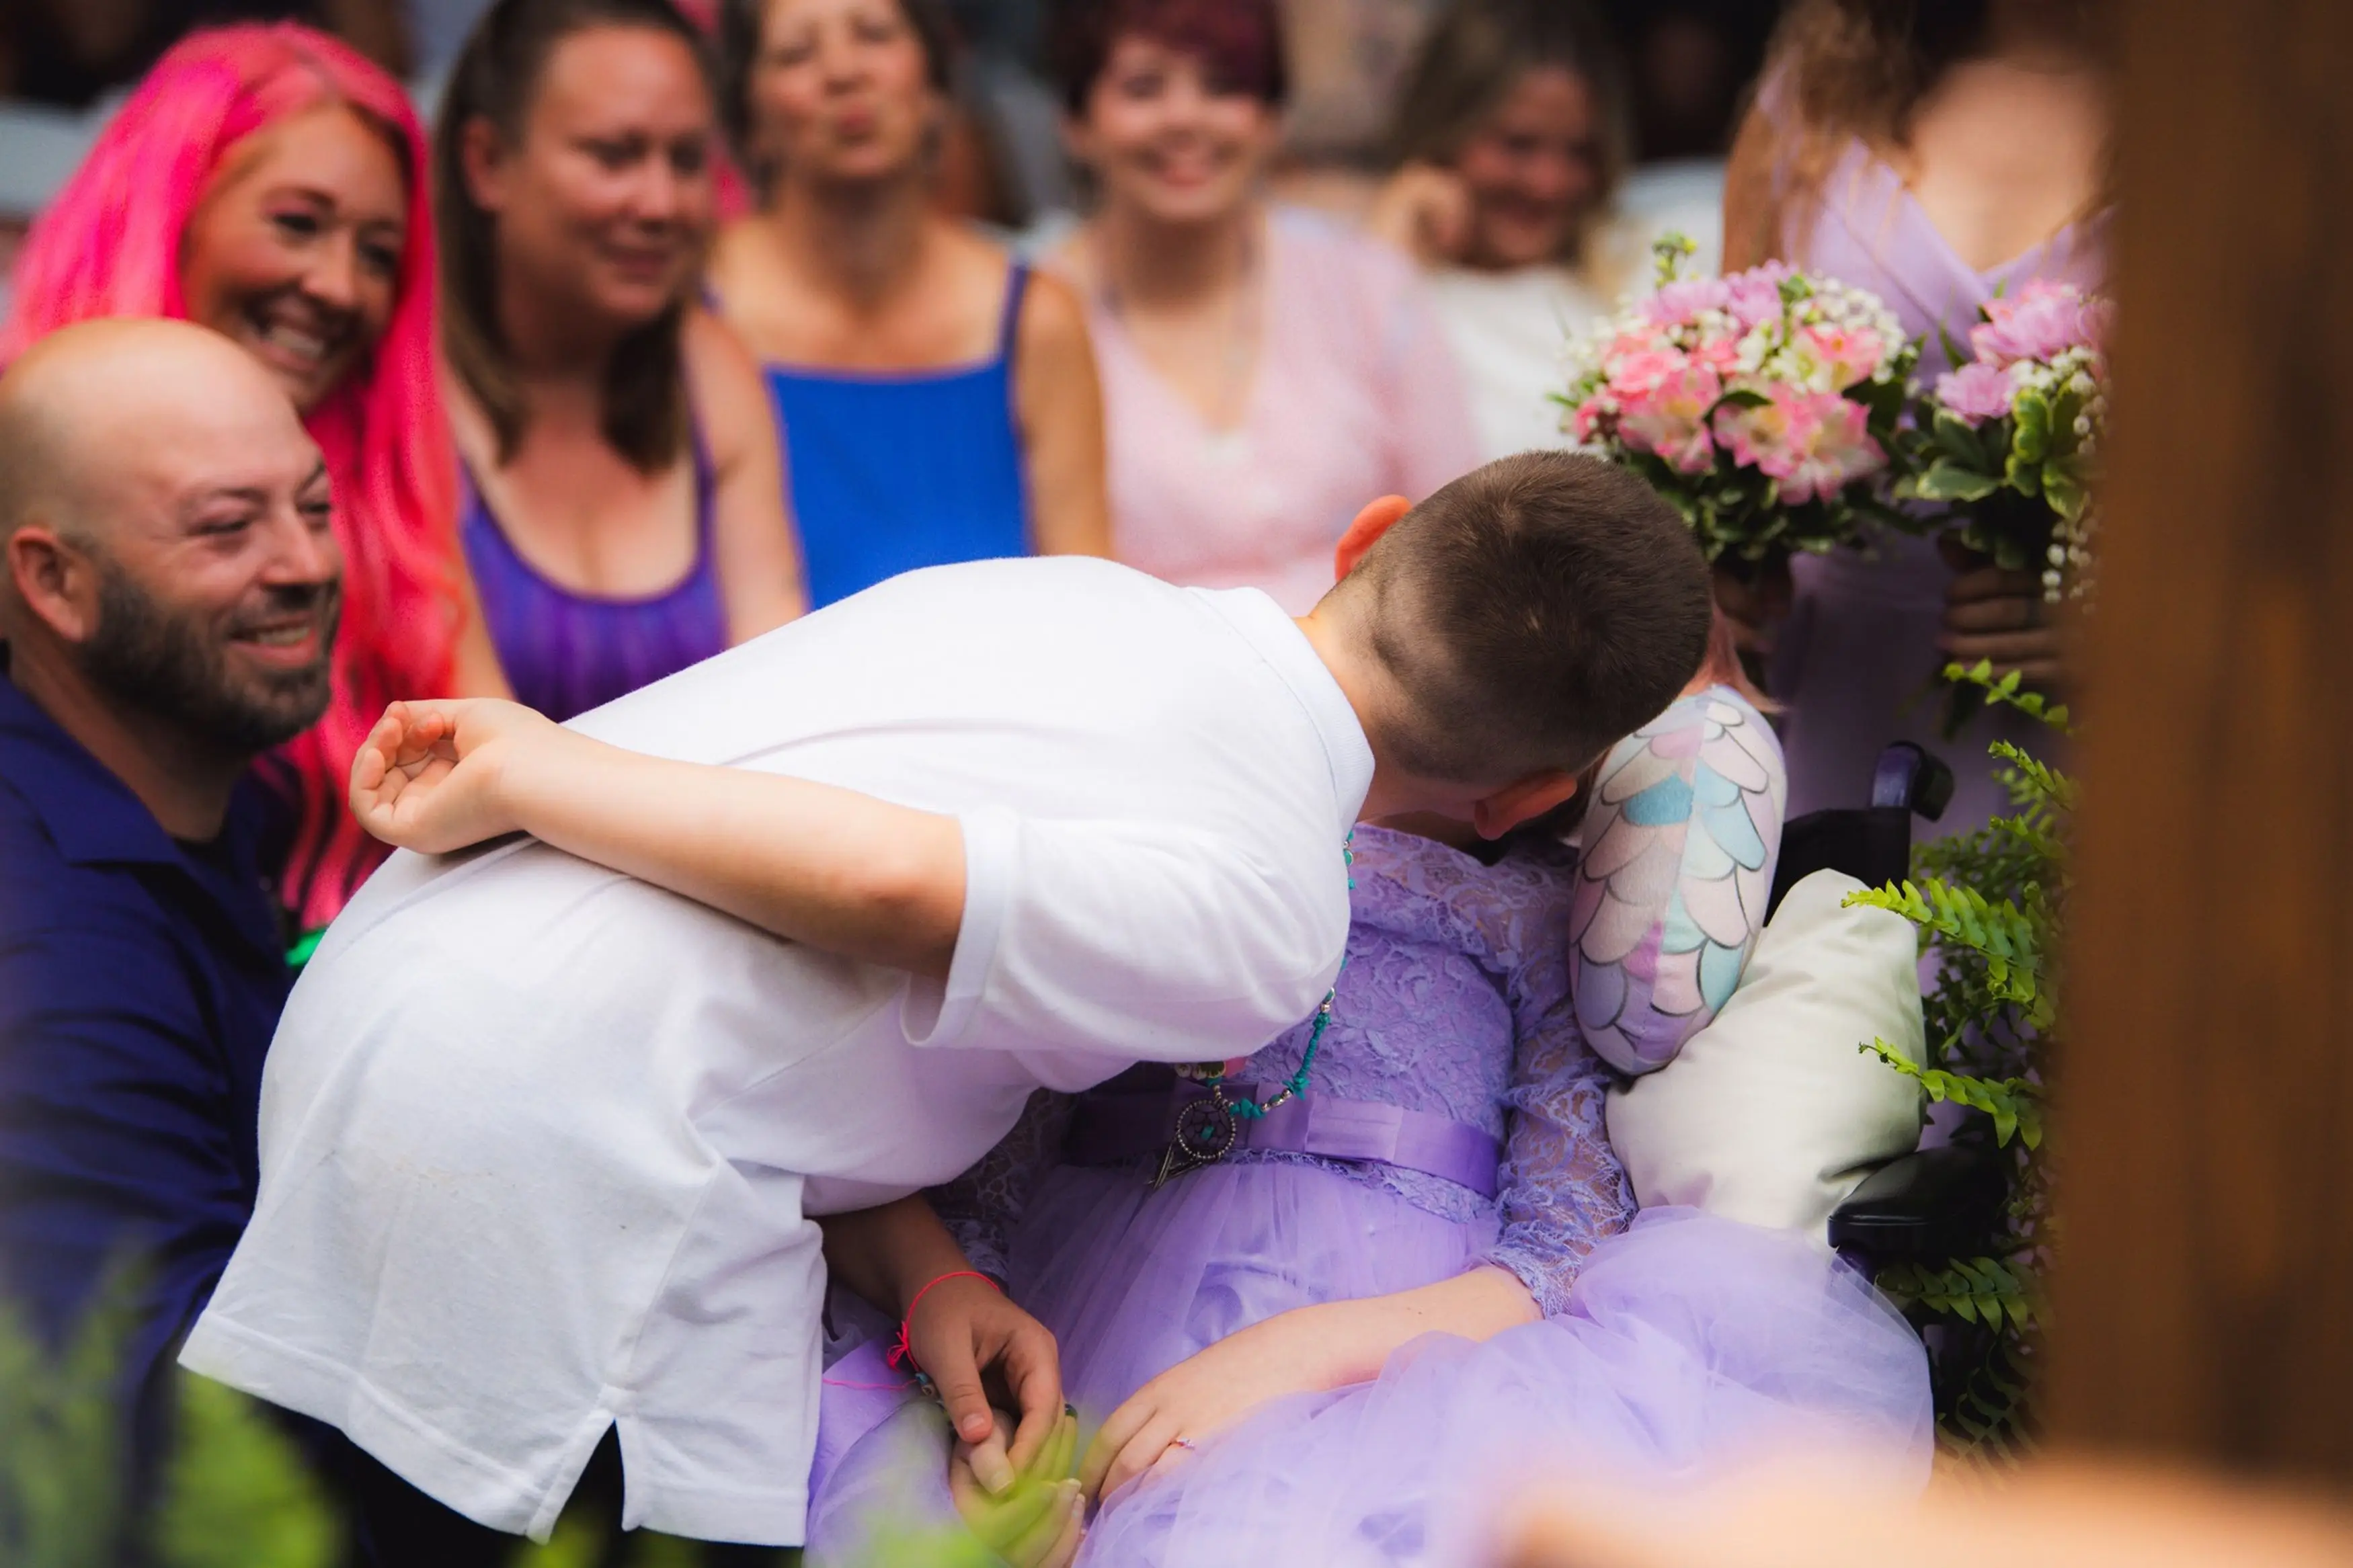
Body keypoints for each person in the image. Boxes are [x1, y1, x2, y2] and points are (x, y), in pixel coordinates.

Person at [180, 451, 1717, 1551]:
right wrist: (542, 764)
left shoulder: (1082, 593)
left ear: (1367, 534)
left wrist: (927, 1273)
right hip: (589, 1143)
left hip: (399, 998)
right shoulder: (1270, 906)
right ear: (1525, 795)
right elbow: (899, 887)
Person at [799, 628, 1930, 1568]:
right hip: (1073, 1305)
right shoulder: (1168, 857)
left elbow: (1561, 1242)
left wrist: (1294, 1354)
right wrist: (984, 1426)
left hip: (1387, 1364)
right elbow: (997, 1155)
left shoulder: (1522, 919)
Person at [1, 22, 504, 933]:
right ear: (173, 209)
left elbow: (491, 780)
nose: (339, 286)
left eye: (378, 253)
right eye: (298, 225)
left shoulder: (388, 506)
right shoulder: (29, 469)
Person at [0, 320, 343, 1462]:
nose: (304, 563)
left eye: (316, 504)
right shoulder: (56, 948)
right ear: (54, 580)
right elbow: (158, 1433)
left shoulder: (219, 790)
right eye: (227, 527)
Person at [1718, 0, 2110, 829]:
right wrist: (1720, 575)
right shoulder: (1816, 98)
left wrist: (2129, 618)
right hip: (1818, 690)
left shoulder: (2231, 124)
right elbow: (1721, 387)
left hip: (2093, 731)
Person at [1045, 0, 1482, 614]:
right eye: (1144, 88)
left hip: (1373, 683)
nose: (1185, 118)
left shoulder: (1368, 284)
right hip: (1135, 684)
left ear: (1272, 118)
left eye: (1224, 85)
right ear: (1076, 121)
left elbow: (1459, 526)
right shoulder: (1031, 315)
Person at [437, 0, 805, 723]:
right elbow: (473, 750)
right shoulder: (406, 387)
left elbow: (784, 697)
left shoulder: (710, 369)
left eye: (687, 160)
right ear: (486, 163)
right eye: (614, 155)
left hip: (718, 830)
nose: (661, 203)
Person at [707, 0, 1109, 610]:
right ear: (748, 118)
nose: (843, 72)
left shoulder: (1034, 316)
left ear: (937, 85)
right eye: (796, 53)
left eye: (874, 34)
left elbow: (1092, 600)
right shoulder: (694, 309)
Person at [1366, 0, 1633, 461]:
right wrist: (1388, 248)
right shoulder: (1386, 281)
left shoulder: (1635, 279)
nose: (1549, 183)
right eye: (1518, 145)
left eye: (1579, 152)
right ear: (1444, 128)